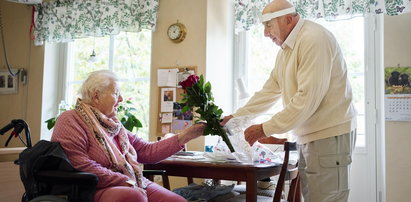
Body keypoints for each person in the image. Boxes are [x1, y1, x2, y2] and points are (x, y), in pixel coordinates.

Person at [221, 0, 357, 201]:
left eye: (269, 25)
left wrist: (263, 128)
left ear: (288, 19)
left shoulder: (314, 39)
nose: (265, 33)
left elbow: (306, 99)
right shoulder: (287, 50)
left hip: (328, 135)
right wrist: (237, 117)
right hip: (310, 135)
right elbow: (269, 91)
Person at [51, 70, 205, 202]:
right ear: (96, 96)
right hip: (90, 187)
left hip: (130, 181)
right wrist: (125, 180)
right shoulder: (70, 119)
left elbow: (146, 151)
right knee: (133, 197)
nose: (121, 99)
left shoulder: (113, 124)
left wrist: (186, 135)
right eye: (116, 93)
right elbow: (80, 164)